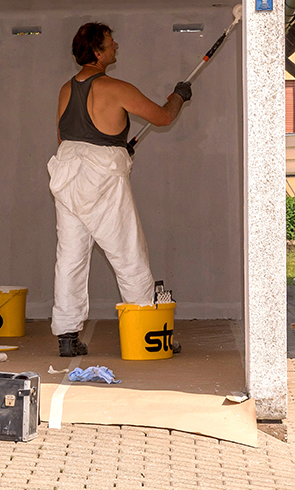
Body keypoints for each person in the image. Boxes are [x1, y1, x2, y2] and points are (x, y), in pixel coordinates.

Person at [48, 22, 191, 357]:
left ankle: (67, 336)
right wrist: (178, 97)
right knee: (127, 252)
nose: (117, 46)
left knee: (70, 258)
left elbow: (66, 139)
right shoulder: (115, 87)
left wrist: (114, 146)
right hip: (102, 180)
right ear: (98, 52)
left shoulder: (65, 90)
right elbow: (162, 117)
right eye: (111, 42)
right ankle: (146, 332)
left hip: (68, 176)